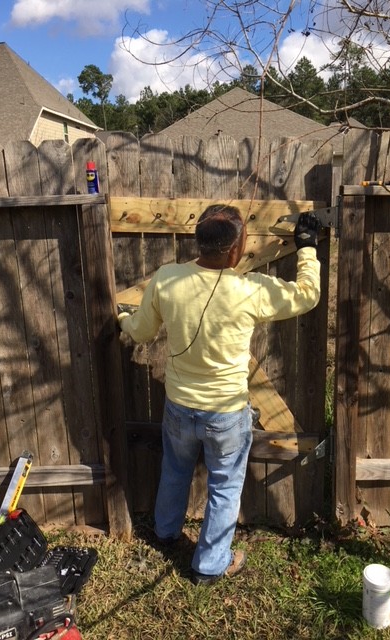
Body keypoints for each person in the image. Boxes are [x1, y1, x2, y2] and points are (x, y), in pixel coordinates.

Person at [118, 204, 321, 586]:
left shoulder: (168, 279)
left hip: (179, 407)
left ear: (200, 242)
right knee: (225, 487)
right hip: (226, 415)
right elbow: (306, 295)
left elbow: (140, 331)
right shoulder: (249, 290)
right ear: (235, 249)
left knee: (175, 470)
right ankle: (210, 566)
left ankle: (165, 532)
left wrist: (122, 319)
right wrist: (307, 248)